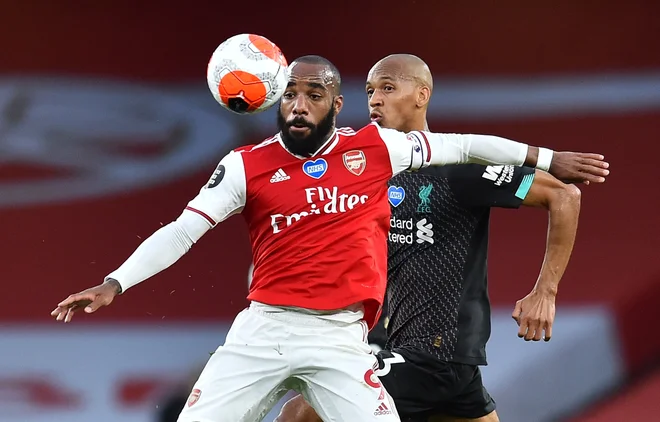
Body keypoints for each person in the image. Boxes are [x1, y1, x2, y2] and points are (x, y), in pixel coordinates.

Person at [51, 55, 609, 422]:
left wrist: (546, 158)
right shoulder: (246, 165)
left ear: (332, 105)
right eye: (289, 94)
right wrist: (114, 282)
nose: (299, 104)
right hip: (263, 331)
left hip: (344, 338)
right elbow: (183, 231)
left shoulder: (376, 152)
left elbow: (465, 145)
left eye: (313, 94)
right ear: (274, 100)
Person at [275, 54, 606, 422]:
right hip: (430, 359)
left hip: (434, 356)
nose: (374, 100)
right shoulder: (373, 170)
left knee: (300, 414)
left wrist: (545, 291)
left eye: (387, 87)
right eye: (369, 91)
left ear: (421, 95)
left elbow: (564, 195)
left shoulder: (456, 170)